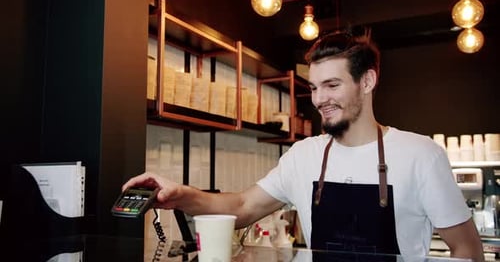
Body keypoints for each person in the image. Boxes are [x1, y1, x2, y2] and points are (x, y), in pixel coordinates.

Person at [122, 31, 484, 261]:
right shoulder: (304, 155)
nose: (319, 98)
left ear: (368, 81)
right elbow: (242, 206)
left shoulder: (421, 155)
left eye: (332, 85)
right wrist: (179, 194)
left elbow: (467, 251)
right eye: (313, 87)